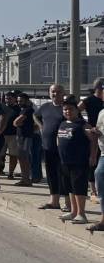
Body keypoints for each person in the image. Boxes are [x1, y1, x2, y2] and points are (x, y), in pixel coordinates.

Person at [56, 95, 94, 224]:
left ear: (77, 110)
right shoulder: (63, 123)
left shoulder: (83, 124)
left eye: (70, 109)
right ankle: (73, 212)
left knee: (79, 188)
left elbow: (93, 140)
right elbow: (59, 138)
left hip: (79, 162)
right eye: (65, 109)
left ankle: (81, 214)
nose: (68, 111)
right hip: (65, 162)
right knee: (70, 188)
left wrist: (92, 156)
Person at [35, 84, 70, 213]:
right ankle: (54, 201)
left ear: (63, 93)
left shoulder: (67, 108)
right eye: (53, 91)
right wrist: (41, 127)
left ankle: (68, 203)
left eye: (58, 91)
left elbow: (76, 122)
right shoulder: (45, 107)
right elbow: (35, 116)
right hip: (47, 147)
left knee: (64, 175)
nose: (55, 94)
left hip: (63, 149)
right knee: (51, 174)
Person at [12, 92, 37, 188]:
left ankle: (26, 179)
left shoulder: (27, 110)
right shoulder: (27, 110)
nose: (19, 103)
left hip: (24, 137)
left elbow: (16, 122)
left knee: (23, 158)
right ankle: (25, 178)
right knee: (22, 158)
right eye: (18, 101)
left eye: (21, 101)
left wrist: (19, 124)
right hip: (23, 136)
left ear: (27, 100)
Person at [1, 91, 22, 180]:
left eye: (10, 98)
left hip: (14, 135)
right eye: (6, 98)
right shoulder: (2, 107)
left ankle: (10, 173)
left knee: (13, 155)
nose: (8, 100)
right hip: (2, 135)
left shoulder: (19, 109)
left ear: (14, 99)